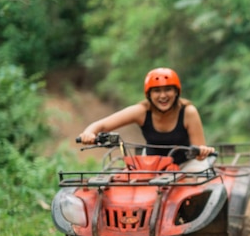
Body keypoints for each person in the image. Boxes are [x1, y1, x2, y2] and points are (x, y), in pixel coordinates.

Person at [78, 67, 215, 167]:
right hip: (151, 165)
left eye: (168, 89)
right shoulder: (142, 111)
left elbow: (199, 152)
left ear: (176, 92)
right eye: (157, 91)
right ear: (149, 95)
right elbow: (102, 125)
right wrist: (89, 133)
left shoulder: (188, 112)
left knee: (199, 189)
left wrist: (202, 152)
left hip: (186, 165)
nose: (163, 96)